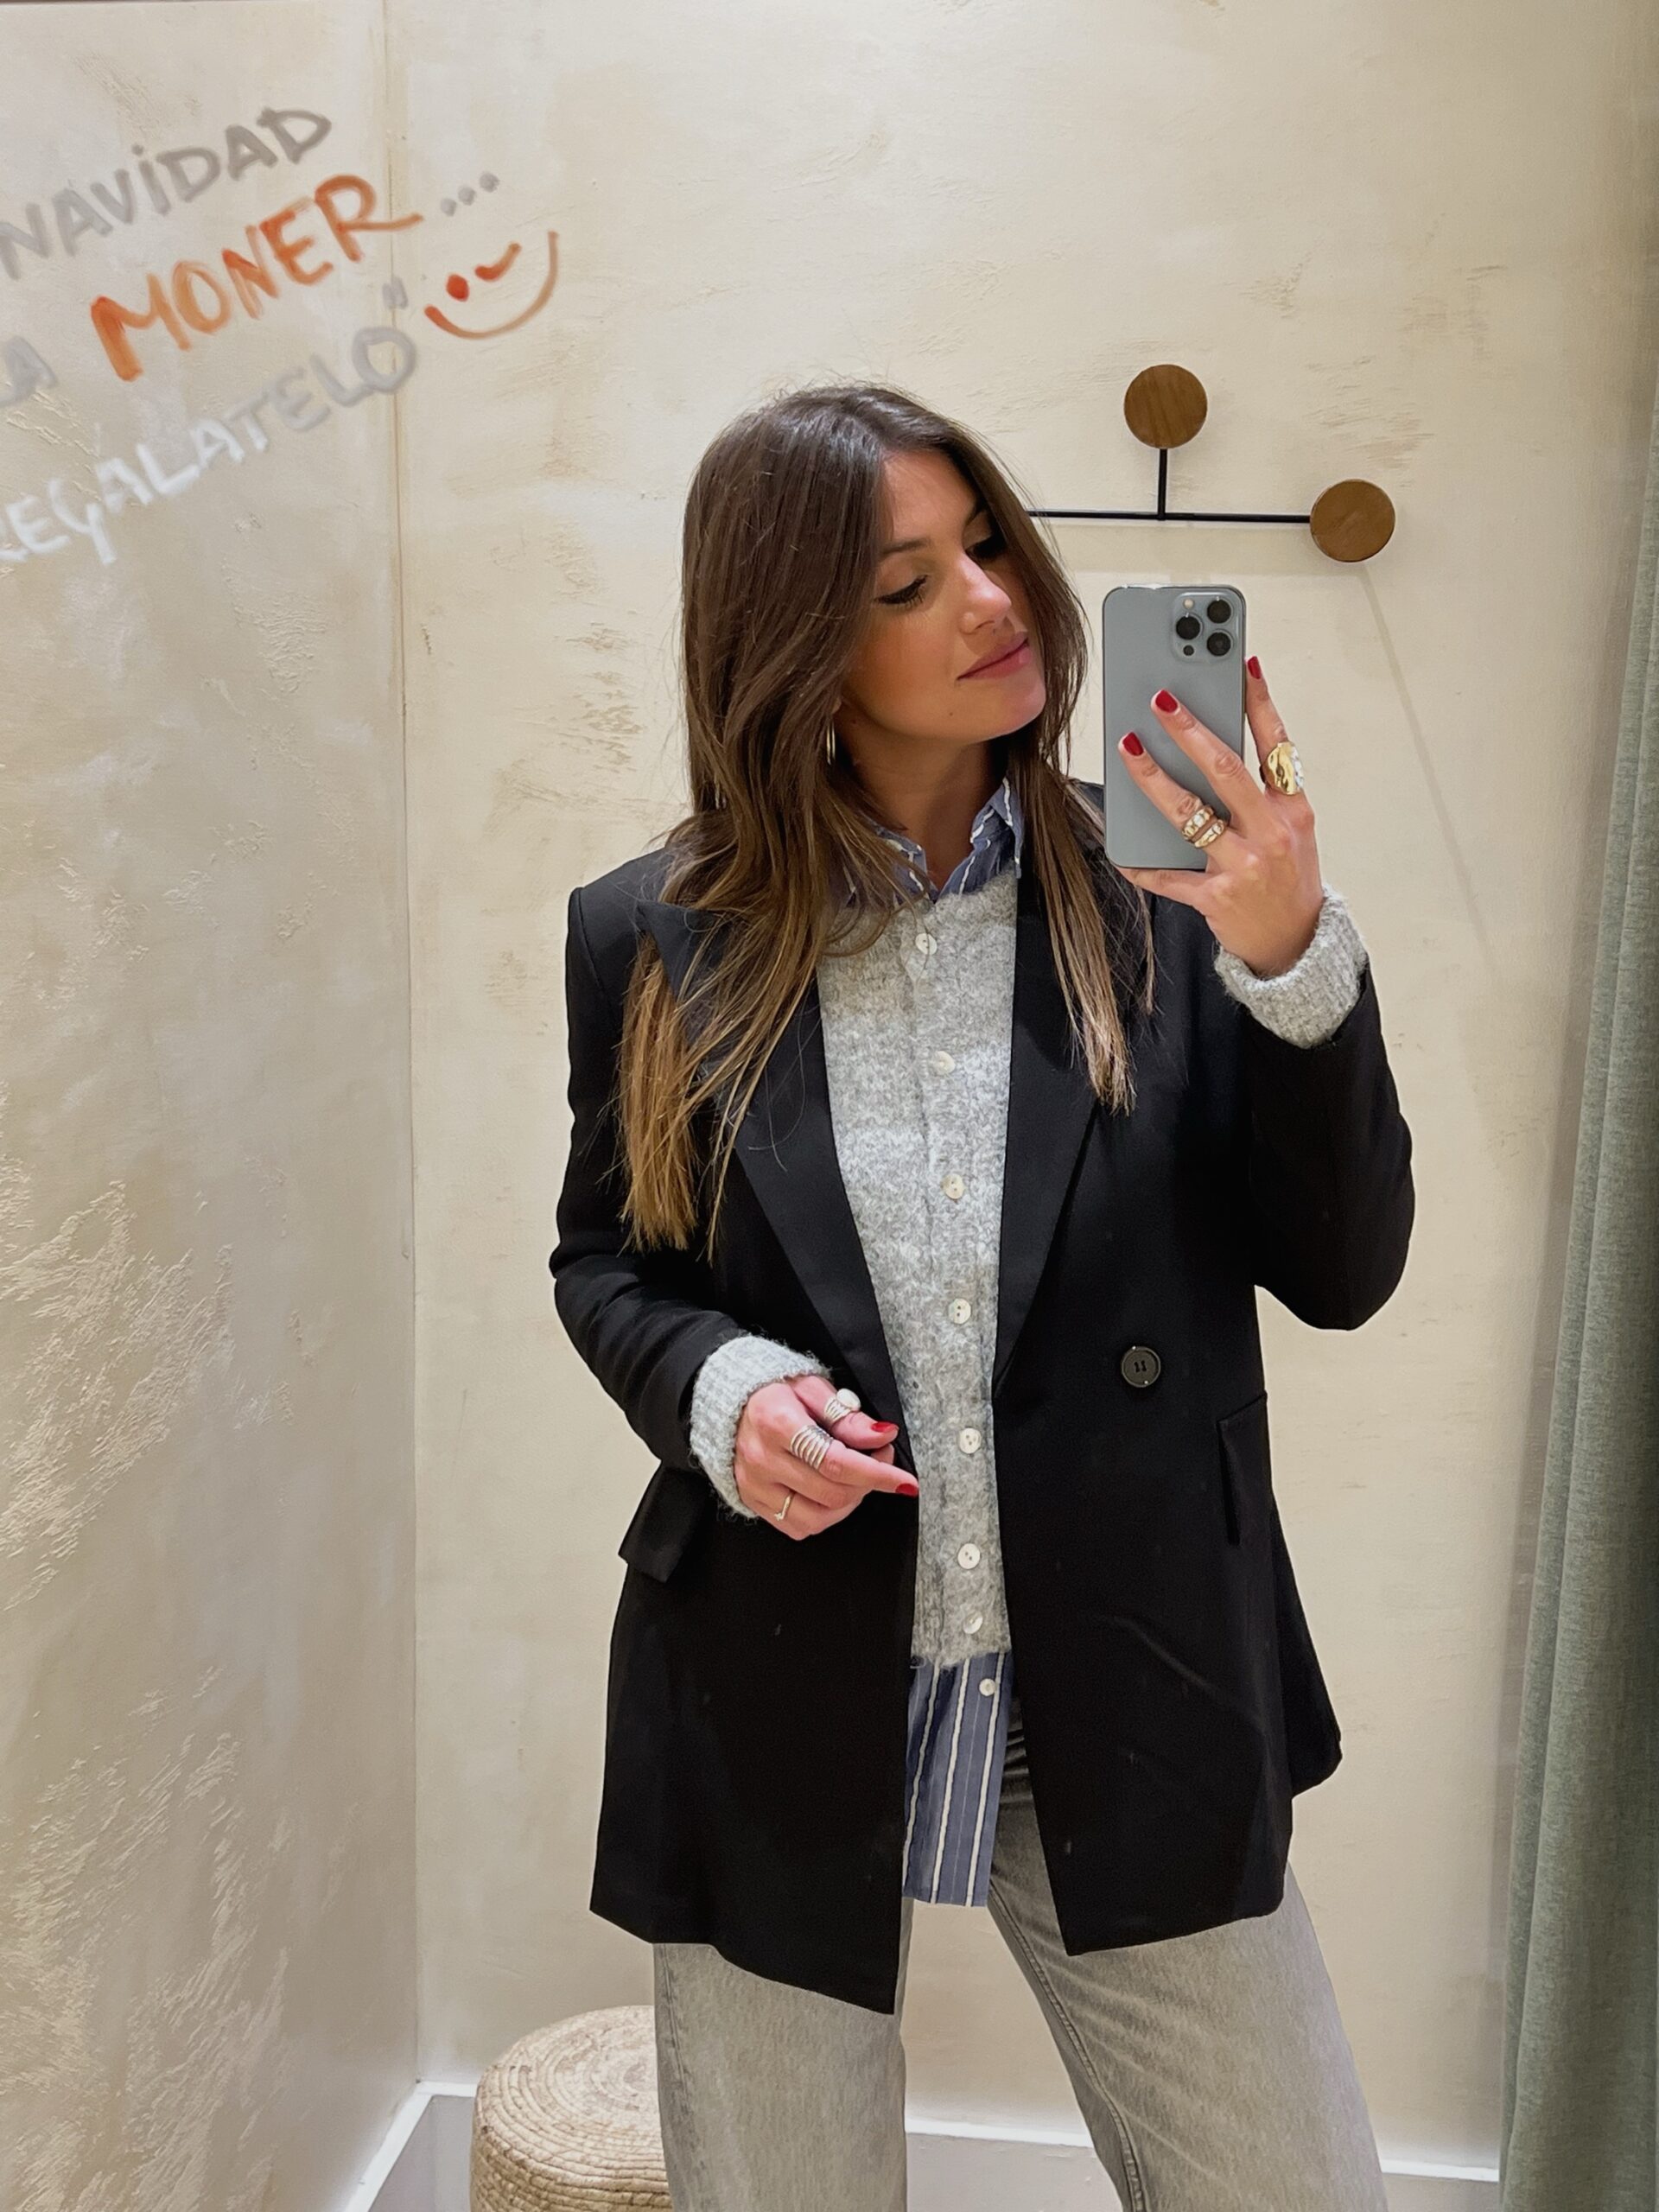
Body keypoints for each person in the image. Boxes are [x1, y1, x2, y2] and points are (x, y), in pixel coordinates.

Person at [550, 380, 1414, 2211]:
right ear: (792, 645)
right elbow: (612, 1264)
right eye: (906, 582)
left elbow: (1345, 1273)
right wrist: (722, 1395)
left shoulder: (1173, 898)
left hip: (1134, 1662)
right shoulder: (658, 932)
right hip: (782, 1670)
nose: (993, 599)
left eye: (990, 544)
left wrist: (1292, 960)